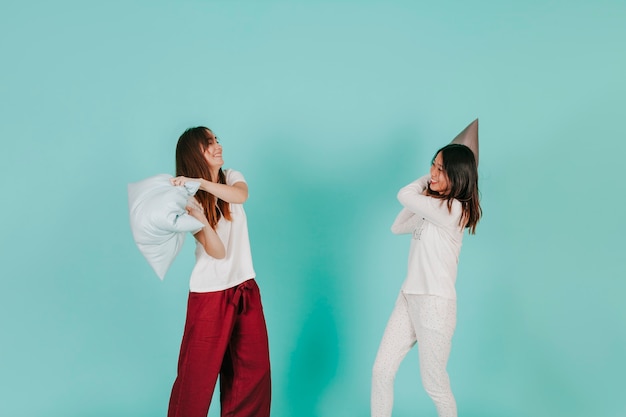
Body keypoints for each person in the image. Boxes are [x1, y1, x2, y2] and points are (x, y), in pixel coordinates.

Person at [167, 126, 271, 417]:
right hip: (209, 296)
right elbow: (217, 251)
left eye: (215, 140)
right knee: (196, 380)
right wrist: (199, 215)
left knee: (252, 375)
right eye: (207, 144)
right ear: (193, 154)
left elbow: (240, 197)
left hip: (245, 289)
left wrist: (201, 182)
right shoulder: (191, 202)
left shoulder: (232, 178)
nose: (217, 146)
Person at [371, 143, 482, 417]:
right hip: (408, 297)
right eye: (432, 164)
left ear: (458, 177)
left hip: (435, 304)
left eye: (441, 169)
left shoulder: (454, 210)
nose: (432, 172)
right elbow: (398, 227)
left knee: (435, 385)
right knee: (381, 371)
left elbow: (403, 194)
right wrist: (431, 185)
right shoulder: (432, 208)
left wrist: (424, 184)